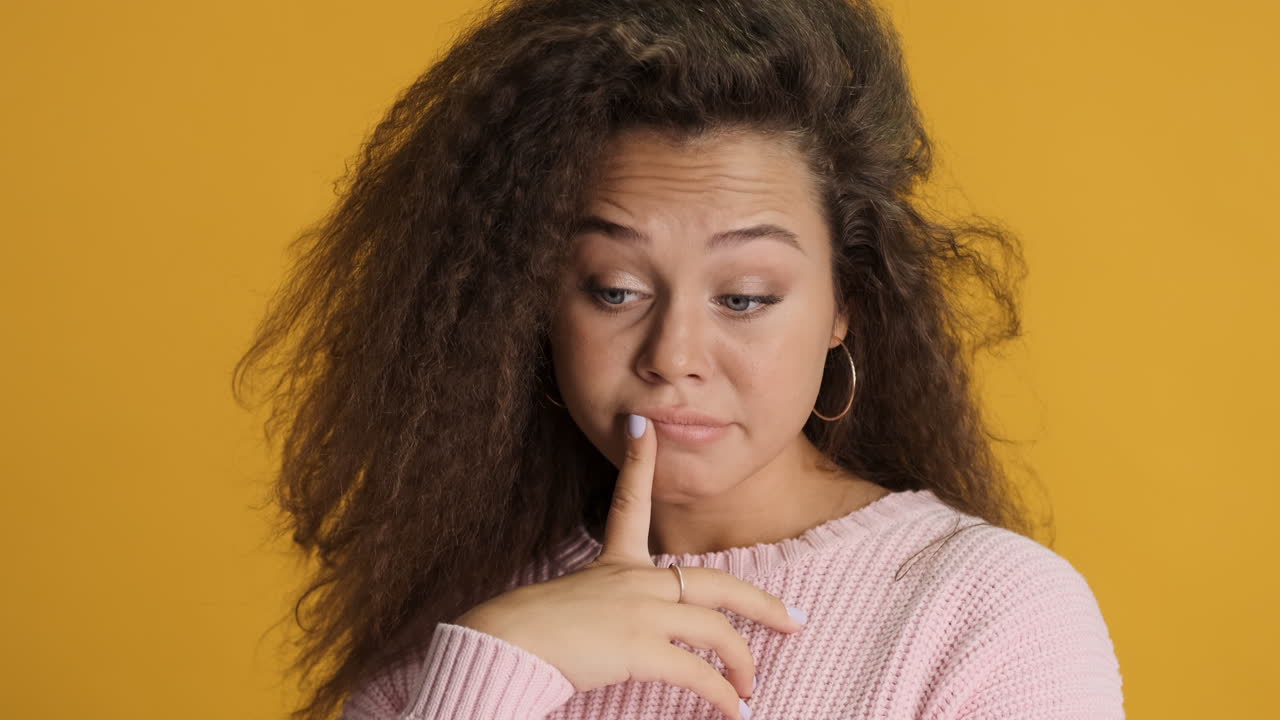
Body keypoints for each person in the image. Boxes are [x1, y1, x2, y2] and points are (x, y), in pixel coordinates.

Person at [233, 1, 1125, 718]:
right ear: (530, 304)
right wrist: (497, 674)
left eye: (744, 298)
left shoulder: (989, 616)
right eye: (616, 289)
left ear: (843, 307)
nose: (674, 357)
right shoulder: (463, 630)